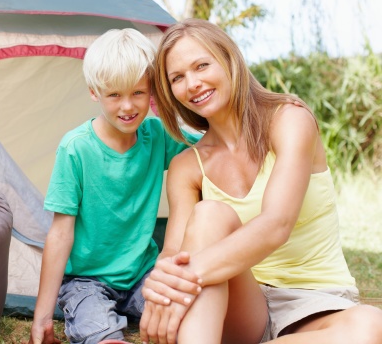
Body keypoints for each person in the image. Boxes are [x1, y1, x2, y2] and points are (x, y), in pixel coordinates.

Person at [138, 18, 382, 343]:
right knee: (210, 214)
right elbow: (173, 250)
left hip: (316, 306)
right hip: (239, 307)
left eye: (202, 66)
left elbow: (276, 224)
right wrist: (162, 278)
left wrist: (187, 274)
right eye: (178, 78)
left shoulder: (290, 120)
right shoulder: (187, 166)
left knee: (370, 325)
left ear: (229, 60)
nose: (193, 83)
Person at [27, 28, 202, 344]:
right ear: (94, 93)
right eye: (114, 95)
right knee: (104, 336)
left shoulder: (156, 135)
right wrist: (42, 316)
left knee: (183, 320)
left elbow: (210, 144)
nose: (127, 107)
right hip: (86, 280)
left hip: (144, 274)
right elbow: (61, 232)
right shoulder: (76, 149)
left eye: (138, 93)